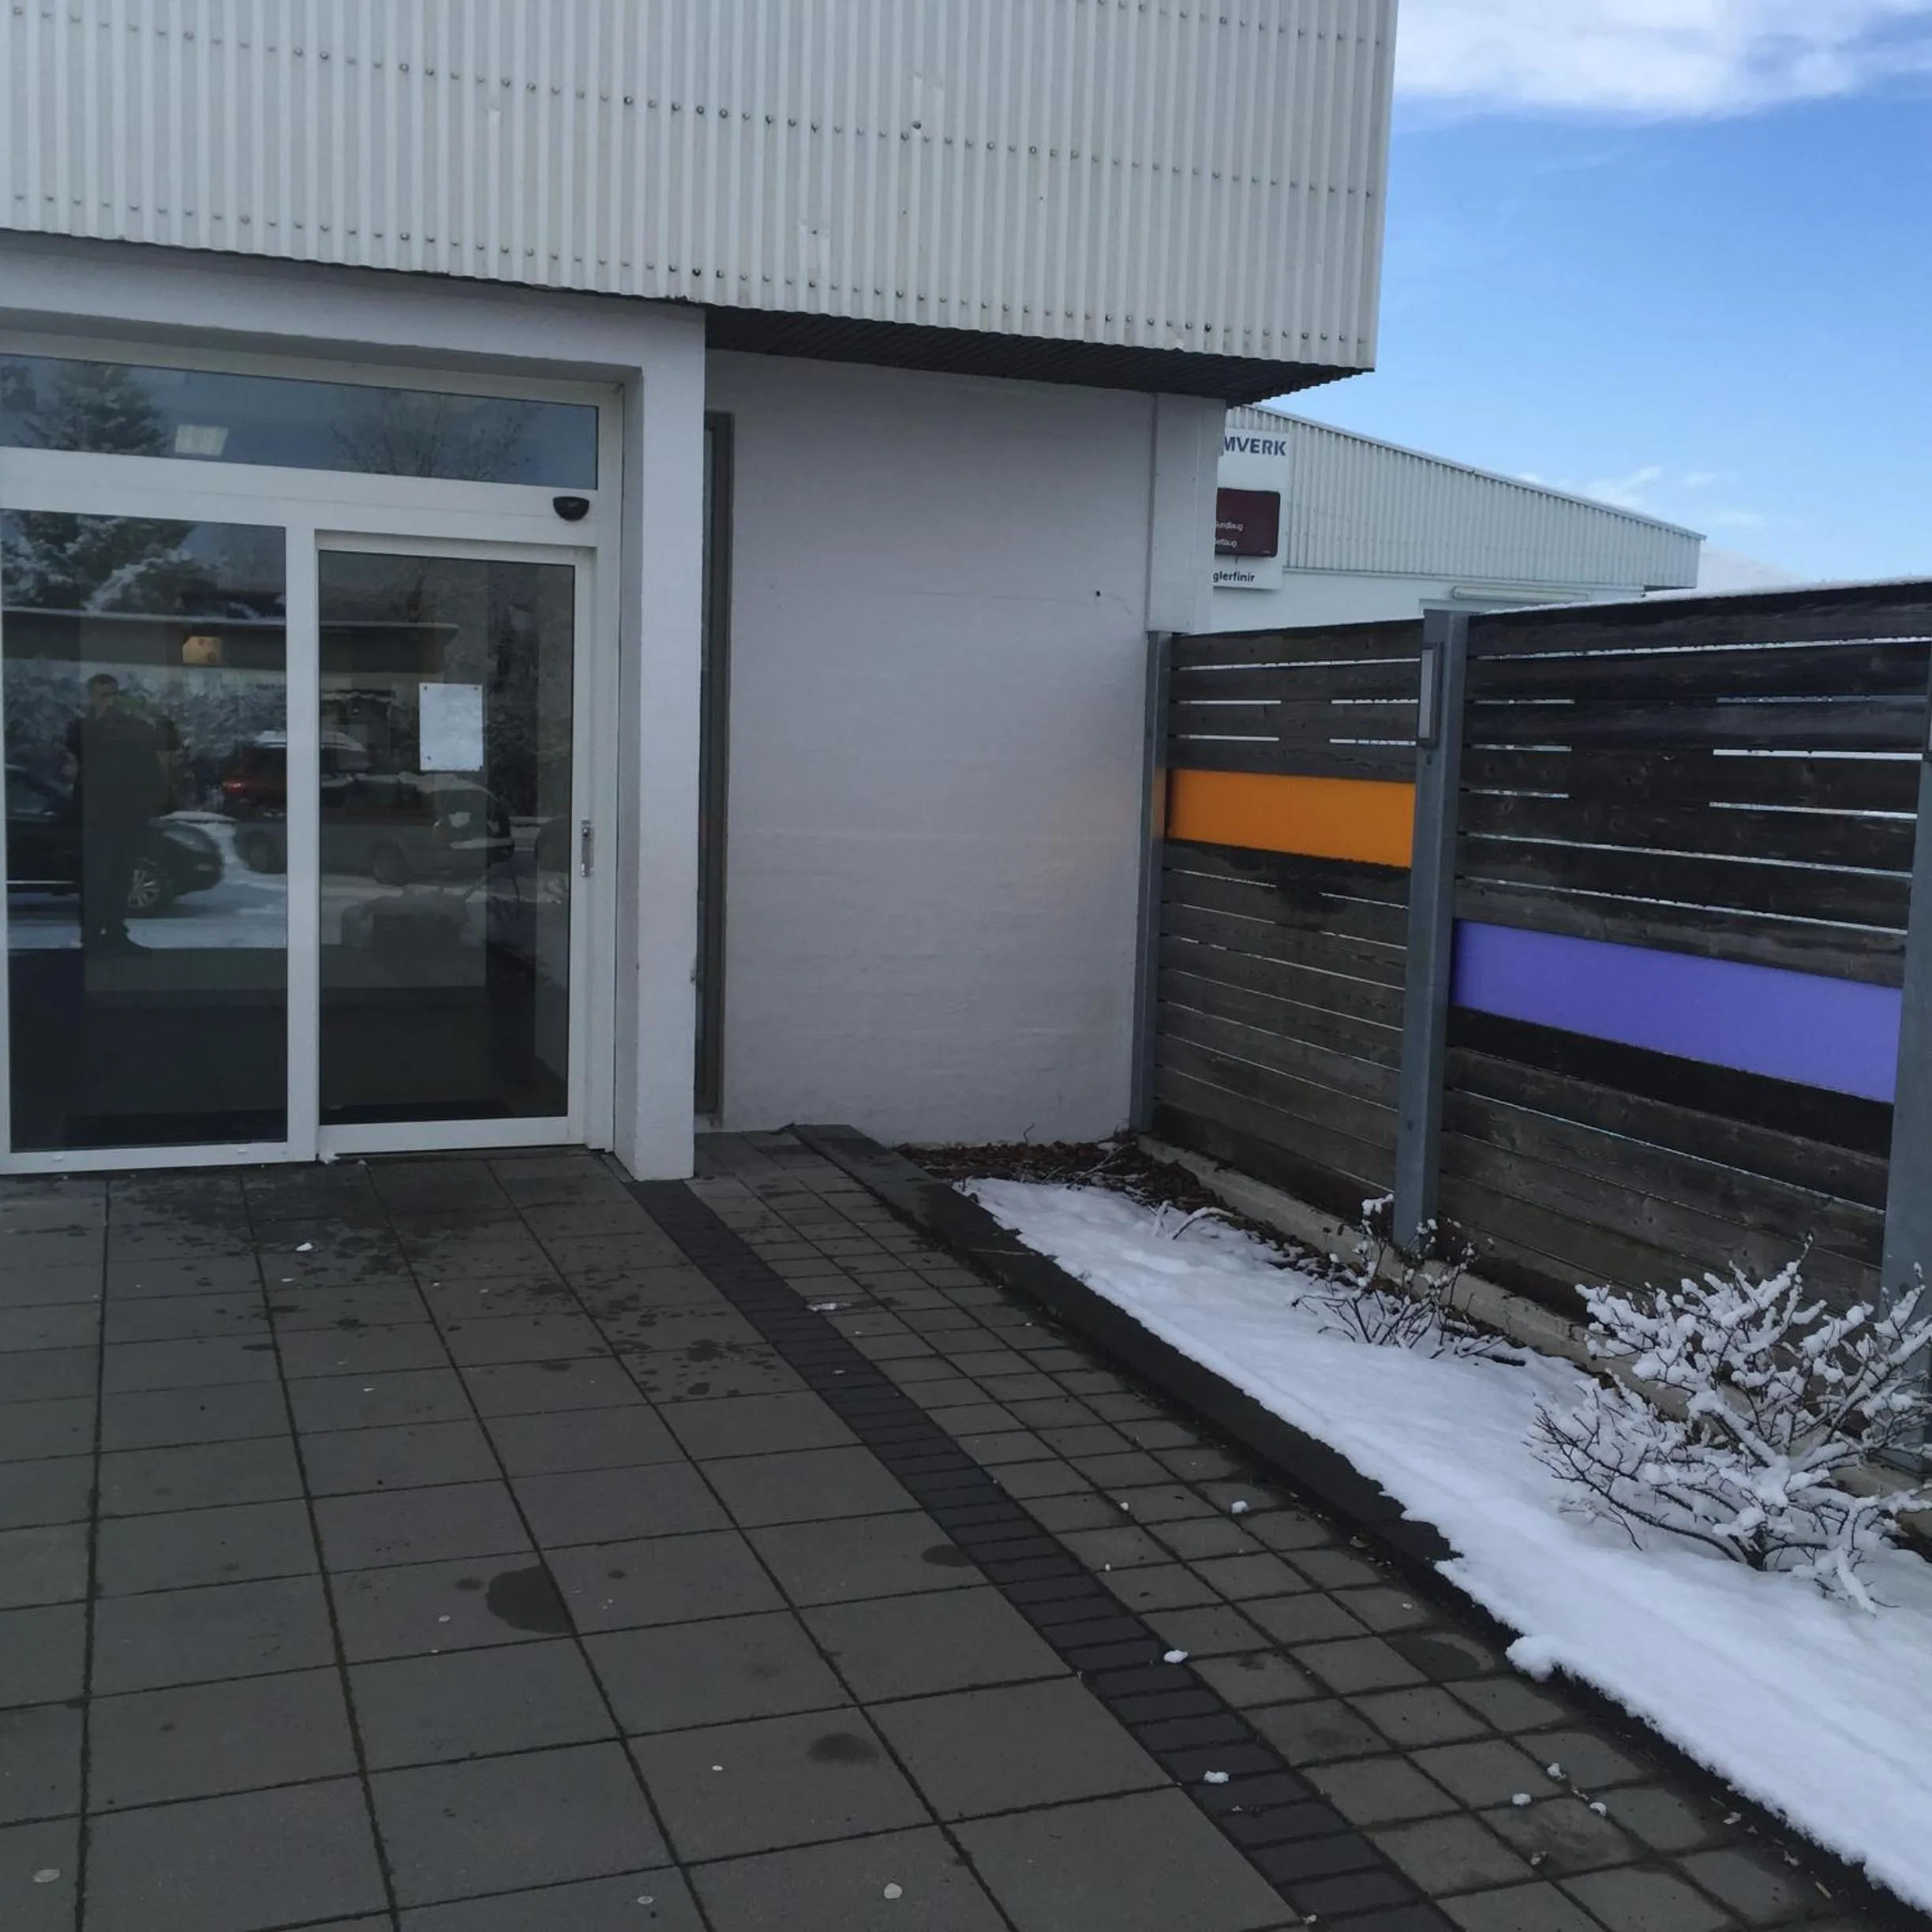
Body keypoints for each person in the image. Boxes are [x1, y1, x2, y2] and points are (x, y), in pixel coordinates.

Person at [62, 672, 170, 953]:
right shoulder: (83, 727)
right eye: (103, 696)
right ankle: (92, 936)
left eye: (113, 695)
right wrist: (100, 718)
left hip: (129, 812)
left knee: (121, 875)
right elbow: (77, 747)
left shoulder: (133, 726)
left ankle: (115, 933)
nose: (110, 702)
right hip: (96, 815)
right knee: (96, 876)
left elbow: (155, 746)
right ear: (92, 698)